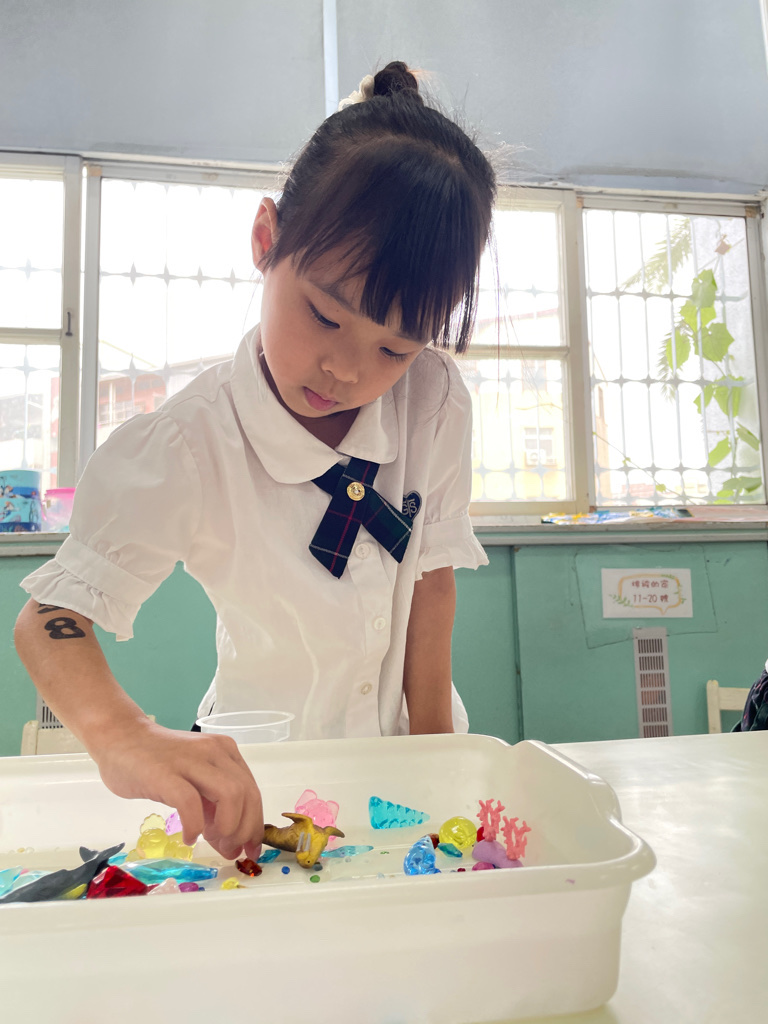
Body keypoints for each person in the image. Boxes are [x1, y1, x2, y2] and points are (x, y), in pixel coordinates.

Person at [14, 61, 497, 863]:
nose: (346, 369)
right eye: (324, 316)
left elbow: (431, 584)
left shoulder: (434, 401)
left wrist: (434, 762)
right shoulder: (189, 443)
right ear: (267, 241)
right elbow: (47, 622)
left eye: (394, 348)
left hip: (406, 773)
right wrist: (124, 733)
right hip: (260, 788)